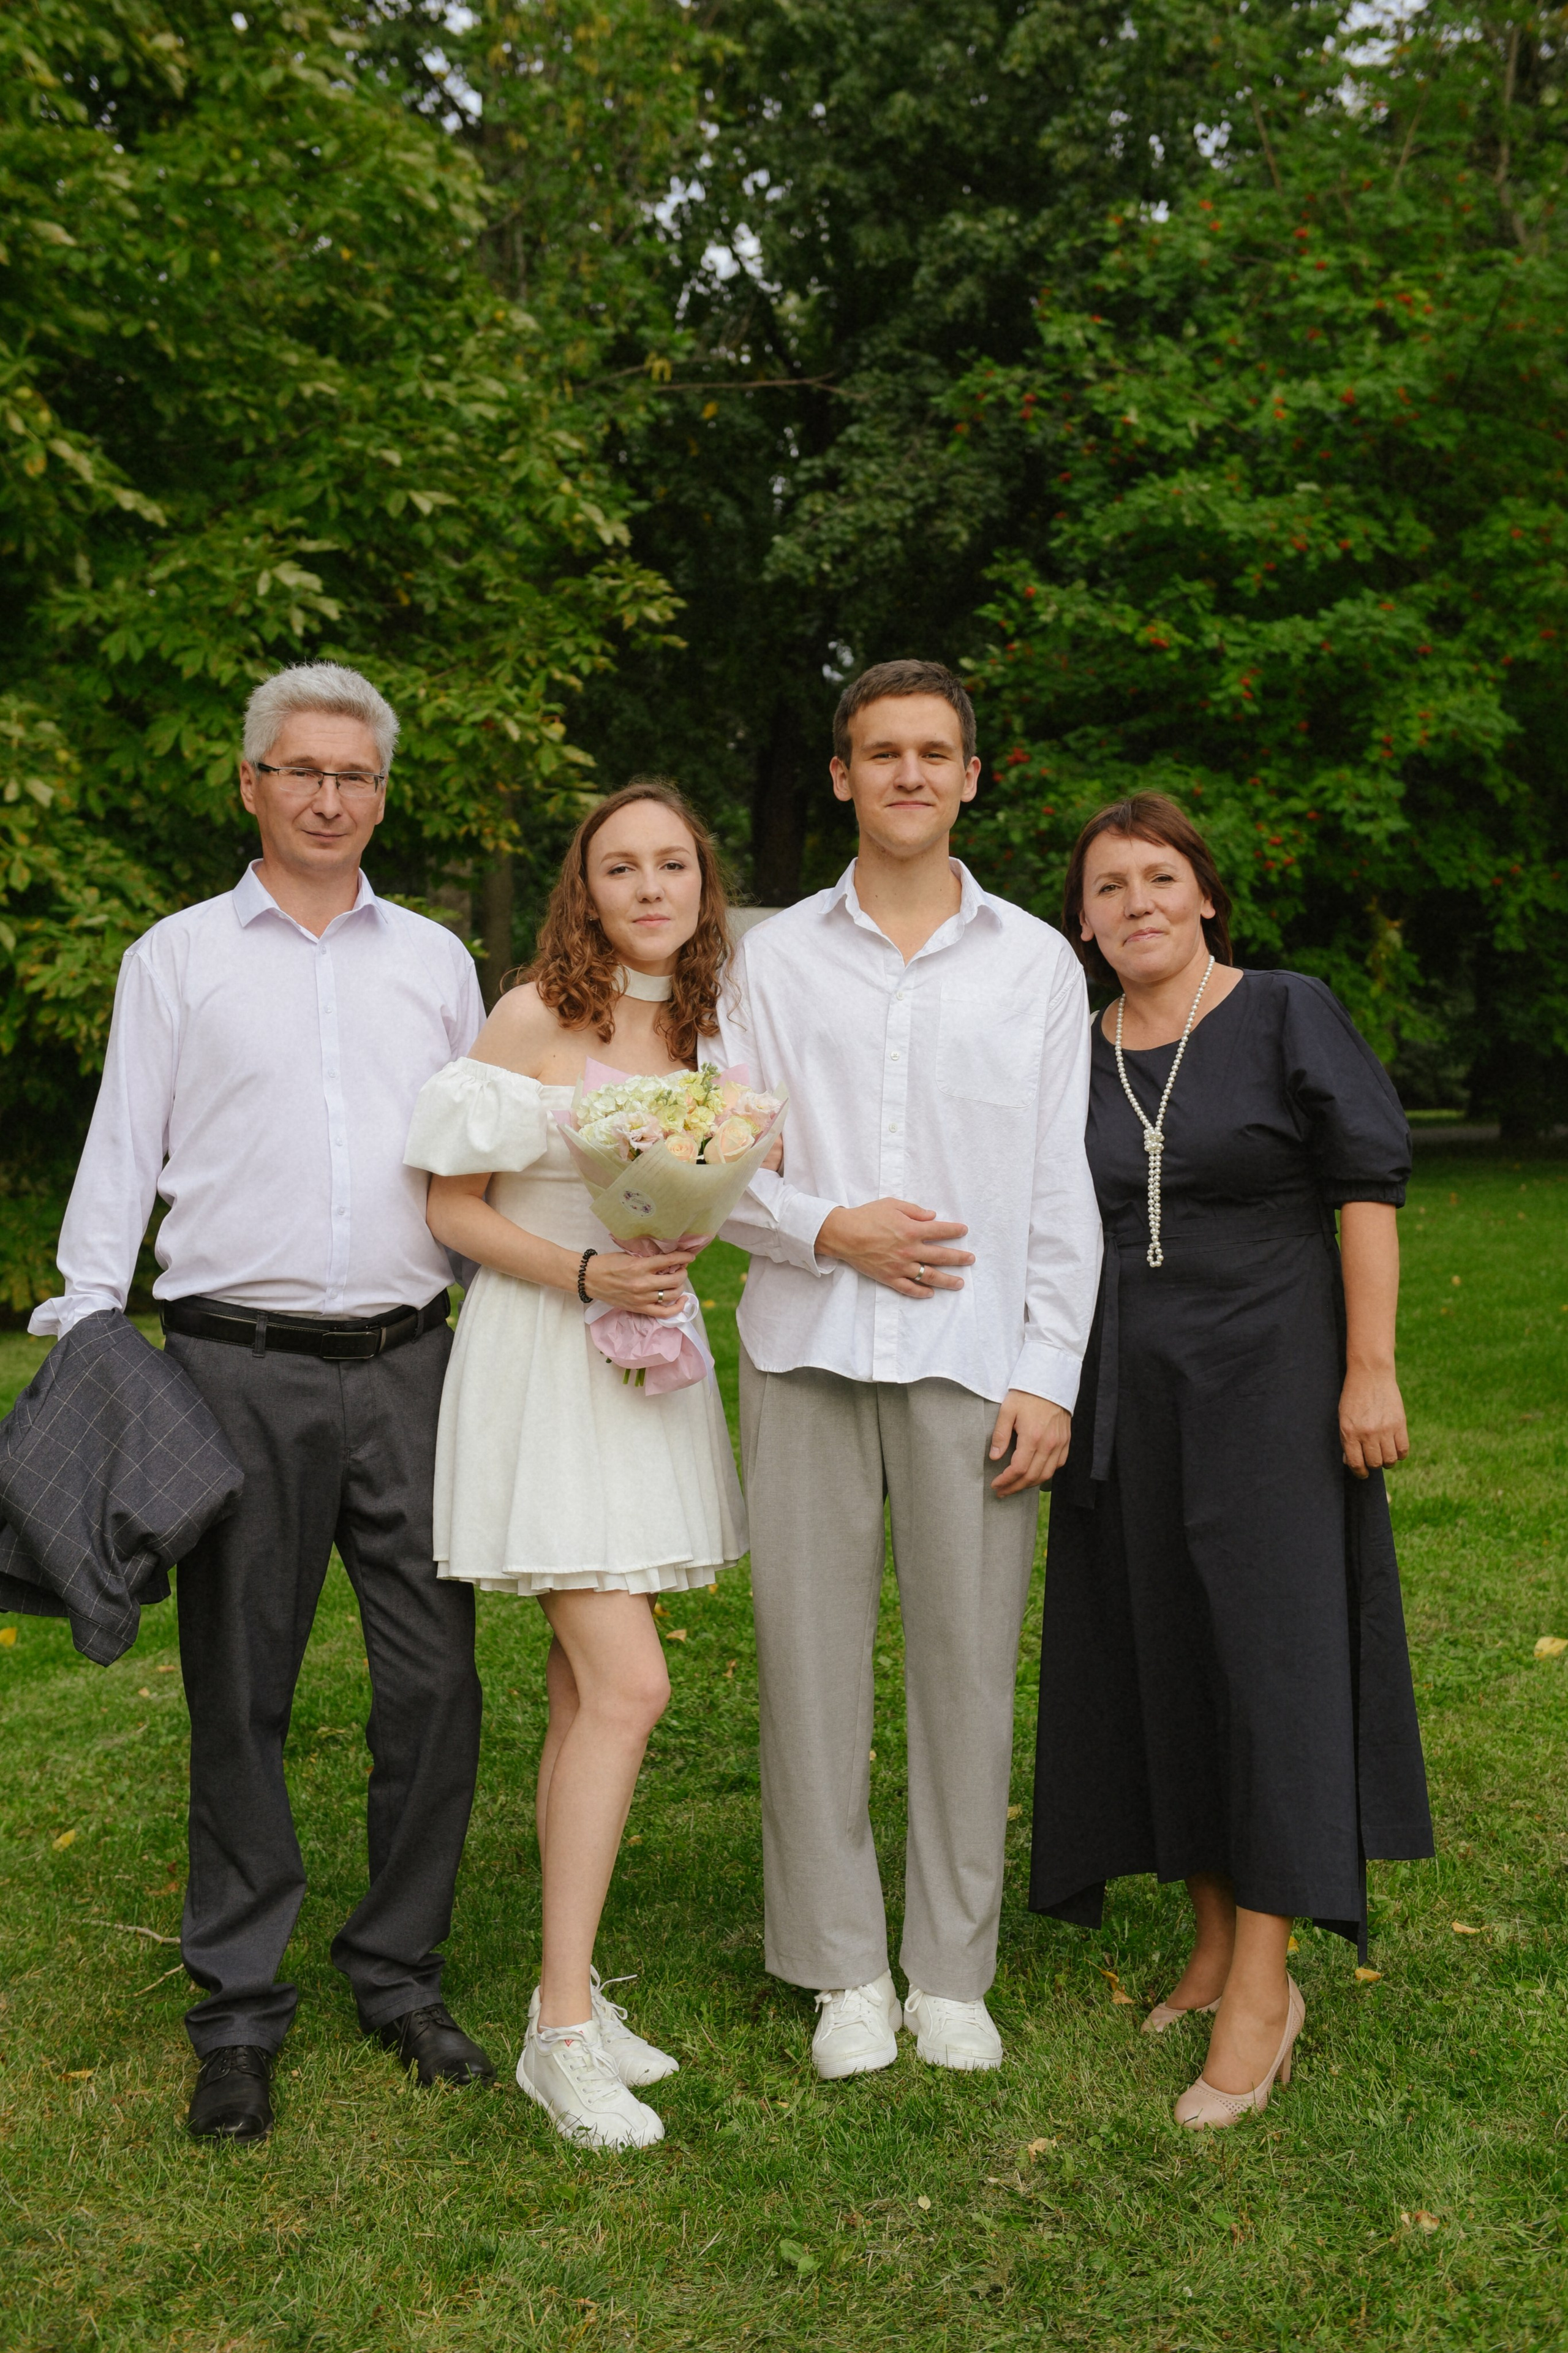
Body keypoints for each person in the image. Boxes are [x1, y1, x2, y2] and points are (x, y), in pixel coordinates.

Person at [29, 662, 496, 2144]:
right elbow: (120, 1149)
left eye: (354, 776)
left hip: (416, 1362)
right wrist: (89, 1330)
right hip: (229, 1368)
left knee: (434, 1685)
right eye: (300, 771)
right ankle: (236, 2011)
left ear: (379, 792)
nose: (327, 798)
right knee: (242, 1694)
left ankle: (398, 1969)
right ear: (251, 784)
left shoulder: (434, 959)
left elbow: (477, 1159)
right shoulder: (176, 958)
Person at [718, 659, 1101, 2081]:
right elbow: (716, 1160)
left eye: (934, 753)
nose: (908, 775)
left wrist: (1048, 1373)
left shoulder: (1034, 964)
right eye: (881, 752)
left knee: (965, 1669)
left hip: (971, 1361)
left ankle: (949, 1969)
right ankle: (837, 1969)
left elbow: (1062, 1190)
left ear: (971, 776)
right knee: (805, 1669)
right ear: (841, 776)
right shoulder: (769, 959)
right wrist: (830, 1227)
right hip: (806, 1346)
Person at [1028, 793, 1433, 2128]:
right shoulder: (1070, 1053)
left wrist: (1364, 1365)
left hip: (1271, 1374)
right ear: (1080, 921)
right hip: (1123, 1385)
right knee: (1158, 1651)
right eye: (1104, 887)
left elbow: (1361, 1182)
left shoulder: (1281, 1009)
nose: (1133, 901)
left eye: (1157, 877)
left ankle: (1265, 1982)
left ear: (1203, 894)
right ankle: (1209, 1937)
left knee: (1266, 1665)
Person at [405, 780, 747, 2150]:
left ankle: (577, 1989)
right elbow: (449, 1207)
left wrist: (671, 1239)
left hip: (642, 1363)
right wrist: (588, 1268)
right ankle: (556, 2035)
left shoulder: (701, 1026)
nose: (649, 887)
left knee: (574, 1693)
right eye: (620, 867)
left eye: (672, 863)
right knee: (630, 1684)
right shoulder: (533, 1015)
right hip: (545, 1358)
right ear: (584, 888)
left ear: (700, 884)